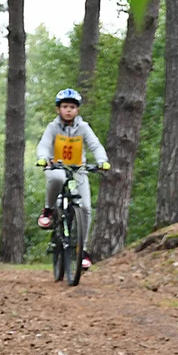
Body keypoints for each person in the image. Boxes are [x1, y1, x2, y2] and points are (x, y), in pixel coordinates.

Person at [35, 88, 110, 270]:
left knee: (85, 207)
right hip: (56, 166)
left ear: (77, 110)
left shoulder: (83, 127)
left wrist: (102, 161)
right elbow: (44, 145)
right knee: (57, 179)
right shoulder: (52, 128)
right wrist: (43, 158)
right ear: (58, 109)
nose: (68, 110)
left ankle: (82, 250)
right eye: (65, 107)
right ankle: (48, 210)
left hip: (78, 170)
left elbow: (95, 145)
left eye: (72, 107)